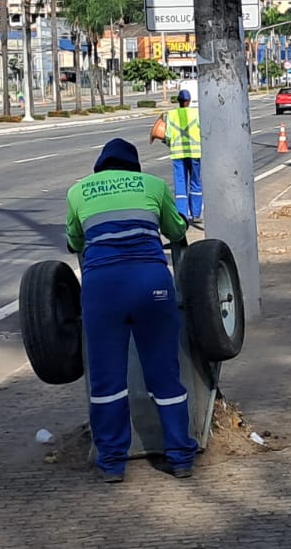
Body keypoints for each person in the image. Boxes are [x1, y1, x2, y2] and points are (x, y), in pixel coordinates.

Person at [65, 138, 196, 482]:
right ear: (134, 167)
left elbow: (74, 241)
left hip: (102, 289)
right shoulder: (152, 185)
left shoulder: (78, 191)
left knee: (106, 380)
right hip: (151, 284)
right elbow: (176, 230)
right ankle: (180, 457)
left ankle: (112, 463)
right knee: (165, 376)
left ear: (100, 167)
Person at [164, 89, 203, 227]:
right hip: (195, 153)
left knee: (180, 184)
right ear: (189, 101)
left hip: (178, 154)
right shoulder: (196, 113)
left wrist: (168, 142)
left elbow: (168, 135)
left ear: (178, 101)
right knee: (195, 183)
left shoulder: (171, 114)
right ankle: (196, 214)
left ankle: (182, 214)